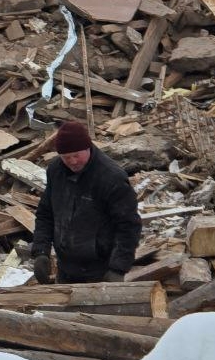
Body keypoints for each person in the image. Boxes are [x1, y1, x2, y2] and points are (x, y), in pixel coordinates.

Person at [30, 121, 142, 284]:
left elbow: (128, 225)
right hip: (66, 267)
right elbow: (45, 214)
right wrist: (41, 251)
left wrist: (118, 268)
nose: (73, 161)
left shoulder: (111, 177)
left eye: (77, 155)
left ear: (88, 147)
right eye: (66, 157)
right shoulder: (55, 171)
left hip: (99, 269)